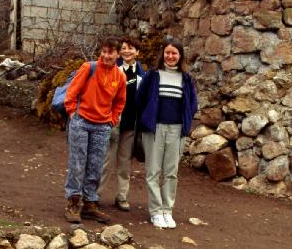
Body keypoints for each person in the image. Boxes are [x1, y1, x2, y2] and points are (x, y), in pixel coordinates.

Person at [136, 36, 198, 230]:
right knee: (153, 171)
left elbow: (192, 104)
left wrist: (185, 123)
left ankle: (167, 210)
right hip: (155, 129)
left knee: (171, 172)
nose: (171, 56)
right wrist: (148, 118)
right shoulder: (153, 75)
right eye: (167, 52)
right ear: (162, 54)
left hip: (177, 129)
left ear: (180, 56)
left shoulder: (186, 79)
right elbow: (140, 99)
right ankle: (155, 212)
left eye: (175, 53)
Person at [63, 37, 127, 224]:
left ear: (117, 54)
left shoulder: (120, 76)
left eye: (111, 52)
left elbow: (120, 102)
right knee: (77, 163)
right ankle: (73, 203)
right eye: (104, 52)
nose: (107, 56)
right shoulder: (88, 68)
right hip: (81, 121)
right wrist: (72, 112)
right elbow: (72, 92)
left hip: (102, 126)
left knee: (96, 165)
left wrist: (112, 120)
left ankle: (90, 203)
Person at [97, 37, 145, 211]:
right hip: (112, 122)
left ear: (137, 52)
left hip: (130, 124)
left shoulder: (142, 75)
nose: (127, 51)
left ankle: (122, 197)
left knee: (124, 163)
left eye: (131, 48)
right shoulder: (113, 70)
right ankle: (95, 195)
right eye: (124, 48)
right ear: (119, 51)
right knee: (106, 161)